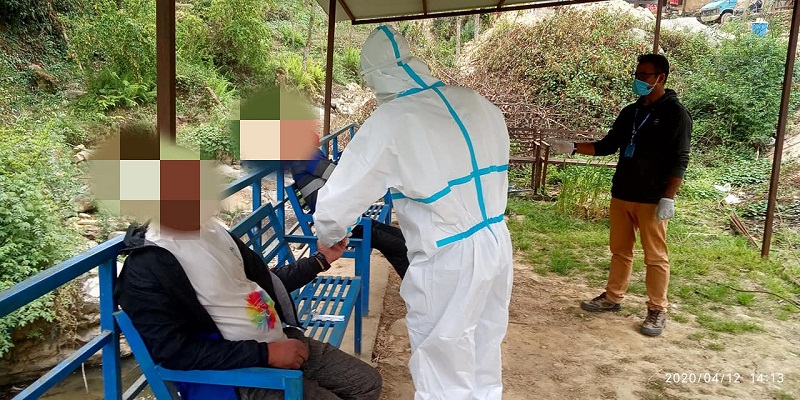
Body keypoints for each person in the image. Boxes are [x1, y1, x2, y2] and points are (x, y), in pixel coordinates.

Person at [312, 26, 513, 400]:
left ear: (375, 75)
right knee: (484, 344)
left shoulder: (393, 119)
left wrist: (329, 235)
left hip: (449, 254)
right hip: (496, 239)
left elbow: (338, 201)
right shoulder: (474, 101)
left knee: (442, 361)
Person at [114, 218, 382, 400]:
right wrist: (266, 354)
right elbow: (173, 352)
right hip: (238, 376)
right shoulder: (147, 267)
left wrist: (321, 260)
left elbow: (266, 283)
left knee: (366, 384)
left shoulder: (212, 230)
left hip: (282, 340)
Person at [550, 53, 691, 337]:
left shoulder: (676, 114)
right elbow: (607, 145)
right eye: (637, 75)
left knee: (655, 256)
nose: (639, 80)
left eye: (645, 75)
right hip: (623, 192)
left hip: (652, 198)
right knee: (620, 251)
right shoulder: (631, 112)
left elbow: (680, 159)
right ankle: (612, 297)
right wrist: (573, 147)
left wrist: (669, 196)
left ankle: (657, 309)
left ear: (661, 77)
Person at [289, 148, 409, 279]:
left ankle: (415, 283)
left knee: (399, 237)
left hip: (345, 214)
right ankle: (415, 288)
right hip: (337, 221)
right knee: (398, 247)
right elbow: (337, 175)